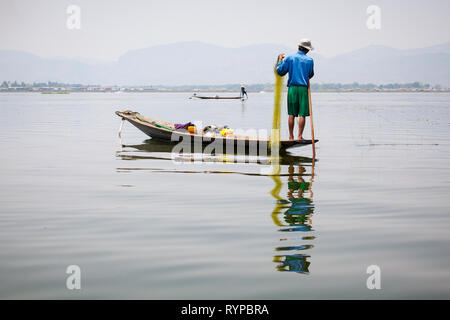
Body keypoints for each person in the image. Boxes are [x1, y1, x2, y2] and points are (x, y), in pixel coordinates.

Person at [276, 39, 314, 141]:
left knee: (291, 114)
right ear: (307, 50)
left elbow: (280, 71)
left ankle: (291, 136)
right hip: (303, 89)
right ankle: (299, 136)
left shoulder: (290, 58)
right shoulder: (310, 61)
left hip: (292, 89)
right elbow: (310, 74)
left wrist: (280, 60)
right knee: (302, 114)